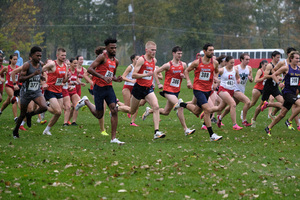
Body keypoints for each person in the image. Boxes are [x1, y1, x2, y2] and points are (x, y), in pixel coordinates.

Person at [75, 38, 124, 144]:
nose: (114, 50)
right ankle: (85, 101)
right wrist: (102, 77)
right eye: (112, 48)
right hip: (98, 88)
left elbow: (112, 75)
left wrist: (117, 79)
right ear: (106, 48)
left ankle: (113, 138)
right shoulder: (102, 57)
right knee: (99, 115)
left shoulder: (116, 61)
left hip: (109, 88)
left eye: (115, 48)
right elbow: (90, 69)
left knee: (114, 110)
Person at [117, 41, 166, 139]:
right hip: (138, 88)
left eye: (155, 50)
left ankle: (156, 132)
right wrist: (145, 75)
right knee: (131, 110)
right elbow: (134, 74)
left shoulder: (154, 60)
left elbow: (154, 73)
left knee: (156, 107)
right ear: (146, 50)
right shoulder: (141, 60)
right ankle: (116, 108)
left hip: (148, 89)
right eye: (152, 50)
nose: (154, 52)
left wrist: (158, 82)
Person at [174, 43, 222, 141]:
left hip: (208, 90)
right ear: (204, 51)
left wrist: (215, 80)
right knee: (207, 110)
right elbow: (187, 71)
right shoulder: (197, 62)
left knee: (196, 111)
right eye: (210, 50)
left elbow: (216, 71)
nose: (212, 52)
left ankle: (181, 104)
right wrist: (188, 81)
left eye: (213, 50)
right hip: (198, 89)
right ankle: (212, 135)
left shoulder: (215, 63)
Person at [143, 46, 195, 136]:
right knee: (180, 106)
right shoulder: (168, 65)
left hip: (176, 91)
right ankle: (186, 129)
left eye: (181, 54)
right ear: (173, 53)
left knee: (166, 112)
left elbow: (185, 73)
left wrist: (183, 77)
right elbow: (155, 72)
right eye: (178, 53)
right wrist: (159, 83)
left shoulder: (183, 64)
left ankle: (150, 111)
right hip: (168, 90)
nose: (180, 55)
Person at [12, 46, 48, 138]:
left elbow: (38, 73)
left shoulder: (41, 64)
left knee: (44, 107)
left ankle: (30, 115)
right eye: (37, 55)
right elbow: (20, 78)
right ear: (32, 55)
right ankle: (15, 131)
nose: (39, 57)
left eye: (40, 56)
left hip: (36, 91)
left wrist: (40, 77)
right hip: (26, 92)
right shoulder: (27, 65)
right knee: (22, 114)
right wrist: (33, 74)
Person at [265, 51, 300, 136]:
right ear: (291, 59)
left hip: (293, 93)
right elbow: (274, 75)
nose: (298, 60)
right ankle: (289, 120)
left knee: (282, 113)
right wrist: (278, 83)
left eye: (299, 58)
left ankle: (268, 127)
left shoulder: (299, 69)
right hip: (286, 92)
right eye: (296, 58)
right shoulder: (286, 68)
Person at [42, 48, 70, 136]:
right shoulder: (52, 64)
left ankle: (47, 130)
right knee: (57, 111)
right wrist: (43, 83)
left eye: (65, 55)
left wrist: (68, 77)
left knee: (59, 113)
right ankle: (44, 106)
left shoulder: (65, 66)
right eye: (62, 55)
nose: (64, 57)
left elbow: (64, 81)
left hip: (59, 90)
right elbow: (40, 71)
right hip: (50, 90)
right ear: (57, 55)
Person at [252, 51, 283, 126]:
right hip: (268, 87)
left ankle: (271, 112)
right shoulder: (269, 65)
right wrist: (273, 76)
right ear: (273, 57)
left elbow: (276, 75)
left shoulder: (278, 66)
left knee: (282, 103)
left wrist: (278, 78)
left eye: (279, 57)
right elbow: (265, 76)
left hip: (275, 88)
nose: (279, 59)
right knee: (260, 105)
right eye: (277, 57)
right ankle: (254, 119)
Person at [216, 56, 243, 130]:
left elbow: (238, 77)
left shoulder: (235, 69)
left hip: (231, 90)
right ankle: (235, 125)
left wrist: (238, 80)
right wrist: (217, 81)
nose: (232, 64)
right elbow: (214, 76)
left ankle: (210, 113)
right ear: (226, 62)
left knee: (220, 108)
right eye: (231, 63)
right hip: (222, 90)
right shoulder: (221, 70)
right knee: (233, 104)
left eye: (233, 63)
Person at [0, 54, 21, 124]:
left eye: (16, 59)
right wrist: (1, 78)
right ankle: (16, 118)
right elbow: (0, 73)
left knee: (8, 102)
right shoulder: (7, 68)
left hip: (15, 87)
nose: (15, 61)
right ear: (10, 60)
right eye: (14, 59)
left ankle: (0, 110)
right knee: (14, 99)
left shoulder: (18, 68)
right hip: (8, 86)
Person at [121, 54, 140, 126]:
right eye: (137, 59)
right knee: (127, 105)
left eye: (139, 59)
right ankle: (117, 105)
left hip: (135, 88)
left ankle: (132, 122)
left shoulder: (139, 67)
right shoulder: (130, 67)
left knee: (136, 106)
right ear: (133, 60)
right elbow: (123, 77)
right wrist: (131, 81)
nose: (138, 60)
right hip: (127, 87)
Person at [248, 60, 268, 127]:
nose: (266, 67)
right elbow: (256, 80)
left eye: (267, 65)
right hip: (257, 89)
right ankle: (244, 112)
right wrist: (264, 77)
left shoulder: (268, 71)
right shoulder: (260, 71)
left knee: (262, 104)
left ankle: (253, 119)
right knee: (253, 103)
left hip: (264, 90)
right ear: (262, 65)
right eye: (265, 65)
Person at [62, 58, 81, 126]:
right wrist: (70, 85)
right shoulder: (67, 71)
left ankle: (73, 122)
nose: (76, 64)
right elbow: (64, 81)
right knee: (68, 107)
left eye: (76, 63)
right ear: (70, 63)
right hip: (66, 90)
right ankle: (65, 122)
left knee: (78, 105)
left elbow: (76, 78)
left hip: (73, 90)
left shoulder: (76, 71)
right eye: (74, 63)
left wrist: (78, 83)